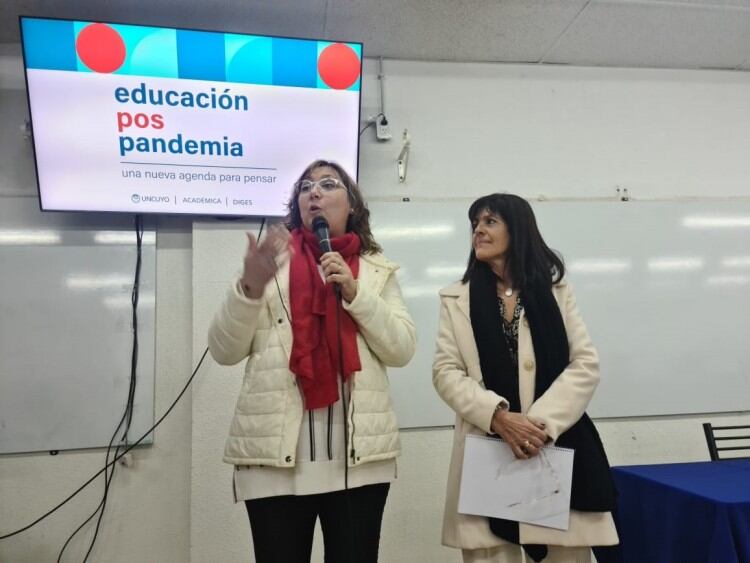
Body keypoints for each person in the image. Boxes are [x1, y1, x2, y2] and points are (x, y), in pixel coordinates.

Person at [207, 159, 416, 563]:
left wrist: (357, 294)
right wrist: (250, 287)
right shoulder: (271, 268)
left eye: (327, 184)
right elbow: (223, 350)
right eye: (305, 187)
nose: (314, 192)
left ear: (351, 204)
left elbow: (401, 348)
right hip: (276, 465)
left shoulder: (375, 271)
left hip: (358, 463)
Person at [432, 193, 618, 563]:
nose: (478, 231)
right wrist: (498, 417)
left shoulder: (557, 293)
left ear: (517, 230)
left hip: (553, 446)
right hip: (488, 450)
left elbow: (584, 365)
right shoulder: (457, 298)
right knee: (492, 553)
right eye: (475, 224)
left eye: (489, 222)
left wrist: (537, 426)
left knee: (565, 554)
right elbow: (445, 371)